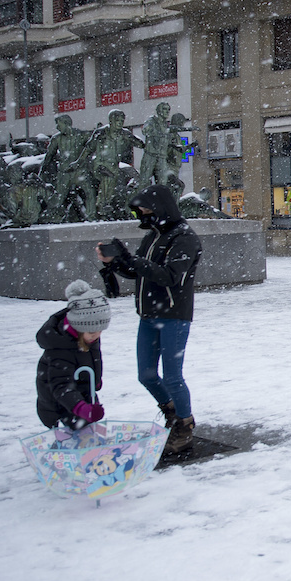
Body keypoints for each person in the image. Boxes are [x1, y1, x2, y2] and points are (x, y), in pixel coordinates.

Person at [97, 184, 203, 454]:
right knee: (146, 375)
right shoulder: (154, 236)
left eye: (146, 209)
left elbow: (170, 276)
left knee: (172, 377)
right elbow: (142, 272)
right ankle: (172, 413)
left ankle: (185, 424)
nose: (142, 214)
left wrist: (134, 261)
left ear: (161, 208)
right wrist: (117, 263)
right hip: (148, 316)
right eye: (140, 210)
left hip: (173, 316)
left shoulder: (184, 238)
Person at [36, 280, 110, 430]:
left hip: (80, 395)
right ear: (79, 327)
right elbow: (61, 386)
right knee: (77, 440)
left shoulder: (88, 337)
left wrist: (94, 381)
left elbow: (92, 359)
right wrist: (83, 408)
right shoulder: (61, 348)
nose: (96, 336)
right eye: (92, 332)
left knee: (87, 437)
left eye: (100, 331)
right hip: (60, 405)